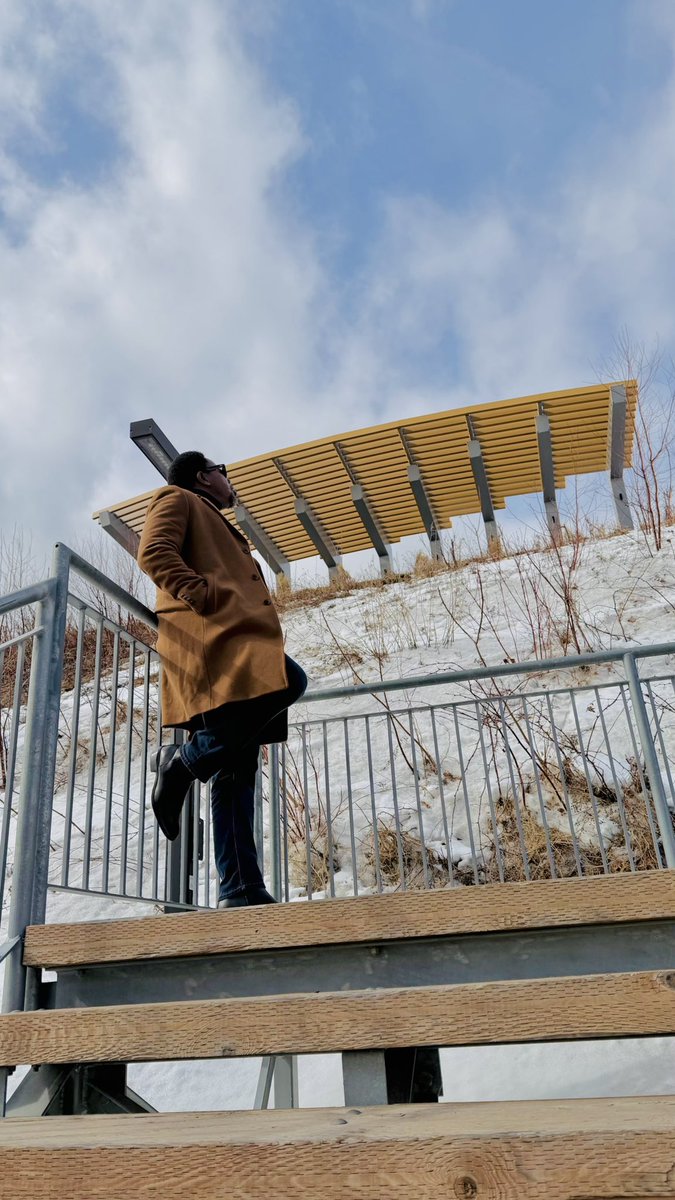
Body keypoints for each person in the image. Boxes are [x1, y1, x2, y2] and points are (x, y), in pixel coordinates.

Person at [137, 451, 307, 908]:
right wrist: (203, 595)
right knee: (290, 681)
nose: (229, 479)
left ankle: (240, 888)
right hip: (214, 641)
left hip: (230, 641)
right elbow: (153, 552)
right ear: (202, 476)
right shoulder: (175, 498)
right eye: (222, 471)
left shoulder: (210, 515)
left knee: (236, 768)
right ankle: (182, 764)